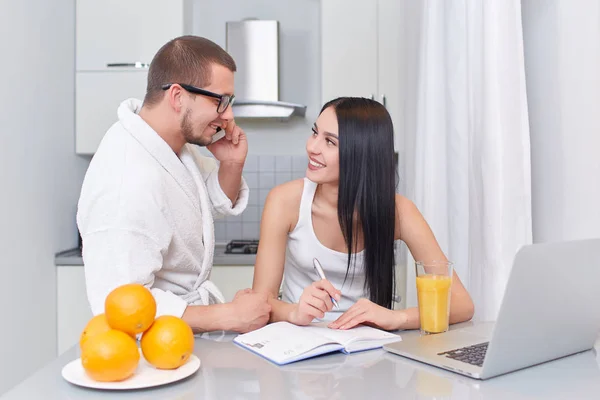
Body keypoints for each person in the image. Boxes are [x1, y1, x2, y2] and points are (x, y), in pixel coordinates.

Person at [77, 35, 270, 334]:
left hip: (177, 336)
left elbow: (209, 204)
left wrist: (231, 164)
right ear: (178, 97)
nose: (229, 115)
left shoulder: (171, 147)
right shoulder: (126, 178)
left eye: (229, 101)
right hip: (149, 348)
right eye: (220, 100)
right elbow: (118, 303)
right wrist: (227, 316)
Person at [252, 97, 474, 330]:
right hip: (297, 343)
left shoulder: (399, 212)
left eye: (330, 142)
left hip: (365, 348)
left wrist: (396, 317)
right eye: (315, 133)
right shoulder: (284, 201)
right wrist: (295, 311)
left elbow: (462, 305)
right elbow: (259, 303)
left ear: (361, 154)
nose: (312, 147)